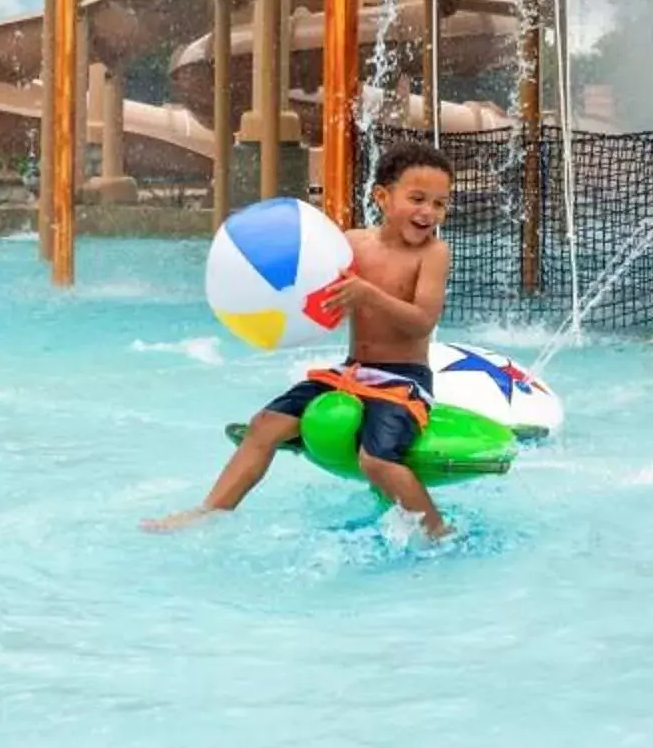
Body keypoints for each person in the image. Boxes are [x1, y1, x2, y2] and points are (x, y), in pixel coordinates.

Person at [145, 141, 458, 539]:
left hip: (403, 379)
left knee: (376, 461)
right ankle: (210, 510)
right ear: (382, 196)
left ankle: (437, 531)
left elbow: (421, 322)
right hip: (351, 373)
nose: (429, 212)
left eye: (440, 204)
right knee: (263, 426)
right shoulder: (353, 242)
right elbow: (322, 294)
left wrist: (366, 294)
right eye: (418, 199)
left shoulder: (433, 254)